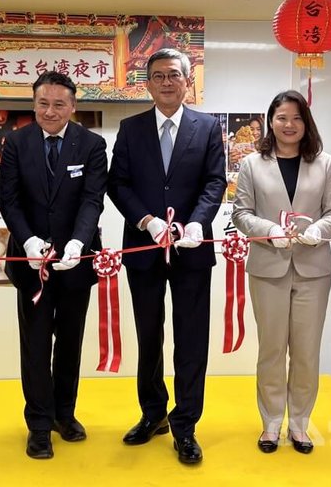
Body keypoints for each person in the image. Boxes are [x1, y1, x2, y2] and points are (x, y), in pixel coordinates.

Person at [107, 48, 226, 464]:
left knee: (191, 340)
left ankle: (186, 424)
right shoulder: (130, 128)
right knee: (149, 336)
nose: (166, 82)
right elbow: (117, 183)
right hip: (144, 249)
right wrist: (147, 221)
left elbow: (215, 181)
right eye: (158, 76)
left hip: (193, 250)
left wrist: (196, 223)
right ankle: (152, 413)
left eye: (174, 75)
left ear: (187, 79)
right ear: (148, 82)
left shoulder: (208, 127)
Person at [0, 71, 107, 460]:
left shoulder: (92, 145)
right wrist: (27, 240)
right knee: (36, 343)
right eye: (43, 103)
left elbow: (93, 199)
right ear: (33, 103)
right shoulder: (15, 143)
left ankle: (65, 413)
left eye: (59, 104)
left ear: (73, 106)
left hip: (76, 263)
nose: (50, 111)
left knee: (70, 342)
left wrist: (78, 242)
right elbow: (9, 200)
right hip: (31, 266)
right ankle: (39, 424)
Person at [232, 90, 331, 454]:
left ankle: (299, 424)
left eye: (296, 118)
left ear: (305, 121)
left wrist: (318, 231)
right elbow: (241, 213)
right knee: (272, 349)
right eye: (281, 117)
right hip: (268, 267)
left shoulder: (324, 163)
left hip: (313, 269)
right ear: (271, 121)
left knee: (307, 352)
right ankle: (270, 424)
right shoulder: (252, 163)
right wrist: (269, 232)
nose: (289, 124)